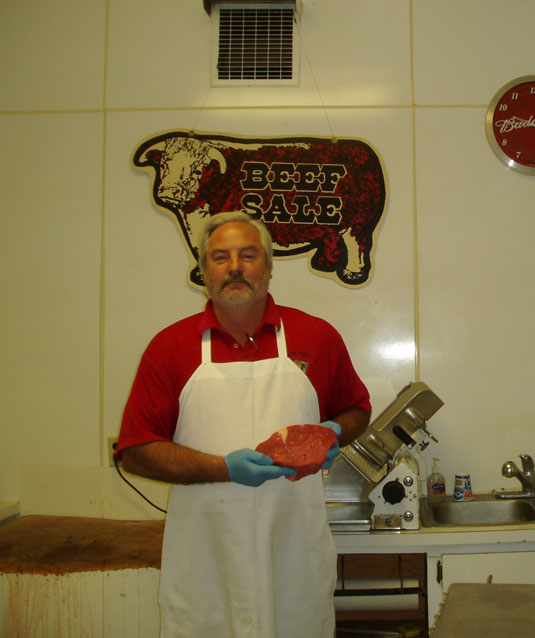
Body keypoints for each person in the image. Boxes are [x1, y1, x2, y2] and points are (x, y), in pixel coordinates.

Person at [116, 211, 371, 637]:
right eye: (220, 257)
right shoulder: (169, 347)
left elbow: (357, 409)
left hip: (294, 554)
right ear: (203, 271)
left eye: (248, 255)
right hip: (205, 559)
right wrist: (223, 469)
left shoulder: (317, 337)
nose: (234, 267)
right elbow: (135, 451)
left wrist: (335, 432)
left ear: (269, 268)